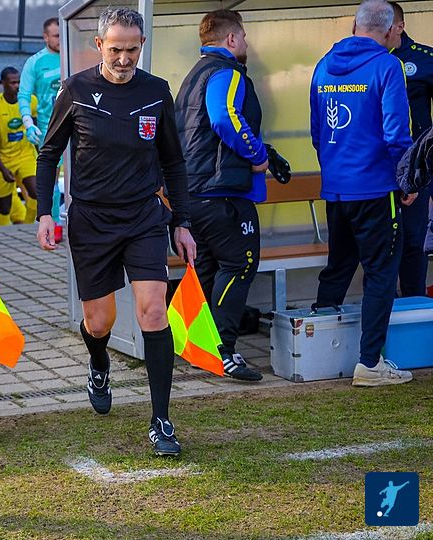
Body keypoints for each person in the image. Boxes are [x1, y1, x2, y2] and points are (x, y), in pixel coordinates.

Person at [35, 7, 196, 457]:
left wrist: (182, 221)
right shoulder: (76, 90)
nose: (124, 59)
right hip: (92, 221)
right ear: (99, 45)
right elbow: (49, 154)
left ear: (142, 45)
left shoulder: (156, 91)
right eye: (116, 49)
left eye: (132, 50)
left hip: (144, 217)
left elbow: (174, 161)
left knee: (153, 312)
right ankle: (98, 362)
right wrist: (45, 213)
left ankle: (161, 420)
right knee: (99, 321)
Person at [310, 0, 415, 387]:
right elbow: (396, 134)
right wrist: (407, 180)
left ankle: (318, 353)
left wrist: (336, 169)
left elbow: (318, 131)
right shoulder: (387, 66)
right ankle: (370, 363)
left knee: (338, 266)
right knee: (381, 273)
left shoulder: (324, 65)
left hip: (337, 188)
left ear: (355, 26)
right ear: (388, 31)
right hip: (375, 188)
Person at [174, 10, 265, 381]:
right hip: (221, 193)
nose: (246, 44)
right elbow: (224, 117)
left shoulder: (193, 76)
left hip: (194, 192)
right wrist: (257, 154)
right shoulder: (226, 72)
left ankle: (201, 348)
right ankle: (224, 351)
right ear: (231, 39)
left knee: (210, 269)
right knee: (240, 264)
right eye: (243, 37)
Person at [389, 2, 432, 297]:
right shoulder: (369, 60)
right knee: (385, 241)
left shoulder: (424, 59)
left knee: (414, 240)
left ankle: (415, 305)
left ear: (400, 26)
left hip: (416, 166)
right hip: (379, 165)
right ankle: (383, 308)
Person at [20, 17, 63, 224]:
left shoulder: (76, 55)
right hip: (50, 130)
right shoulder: (34, 62)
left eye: (63, 35)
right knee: (51, 180)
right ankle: (52, 223)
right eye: (56, 36)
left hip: (79, 127)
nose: (61, 40)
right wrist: (28, 123)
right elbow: (24, 95)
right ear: (45, 37)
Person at [0, 66, 39, 225]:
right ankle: (1, 231)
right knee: (4, 207)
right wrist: (2, 168)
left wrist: (40, 156)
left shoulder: (30, 101)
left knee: (37, 192)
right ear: (3, 83)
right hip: (3, 158)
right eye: (12, 83)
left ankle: (29, 226)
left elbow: (35, 131)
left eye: (19, 82)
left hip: (25, 155)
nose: (17, 86)